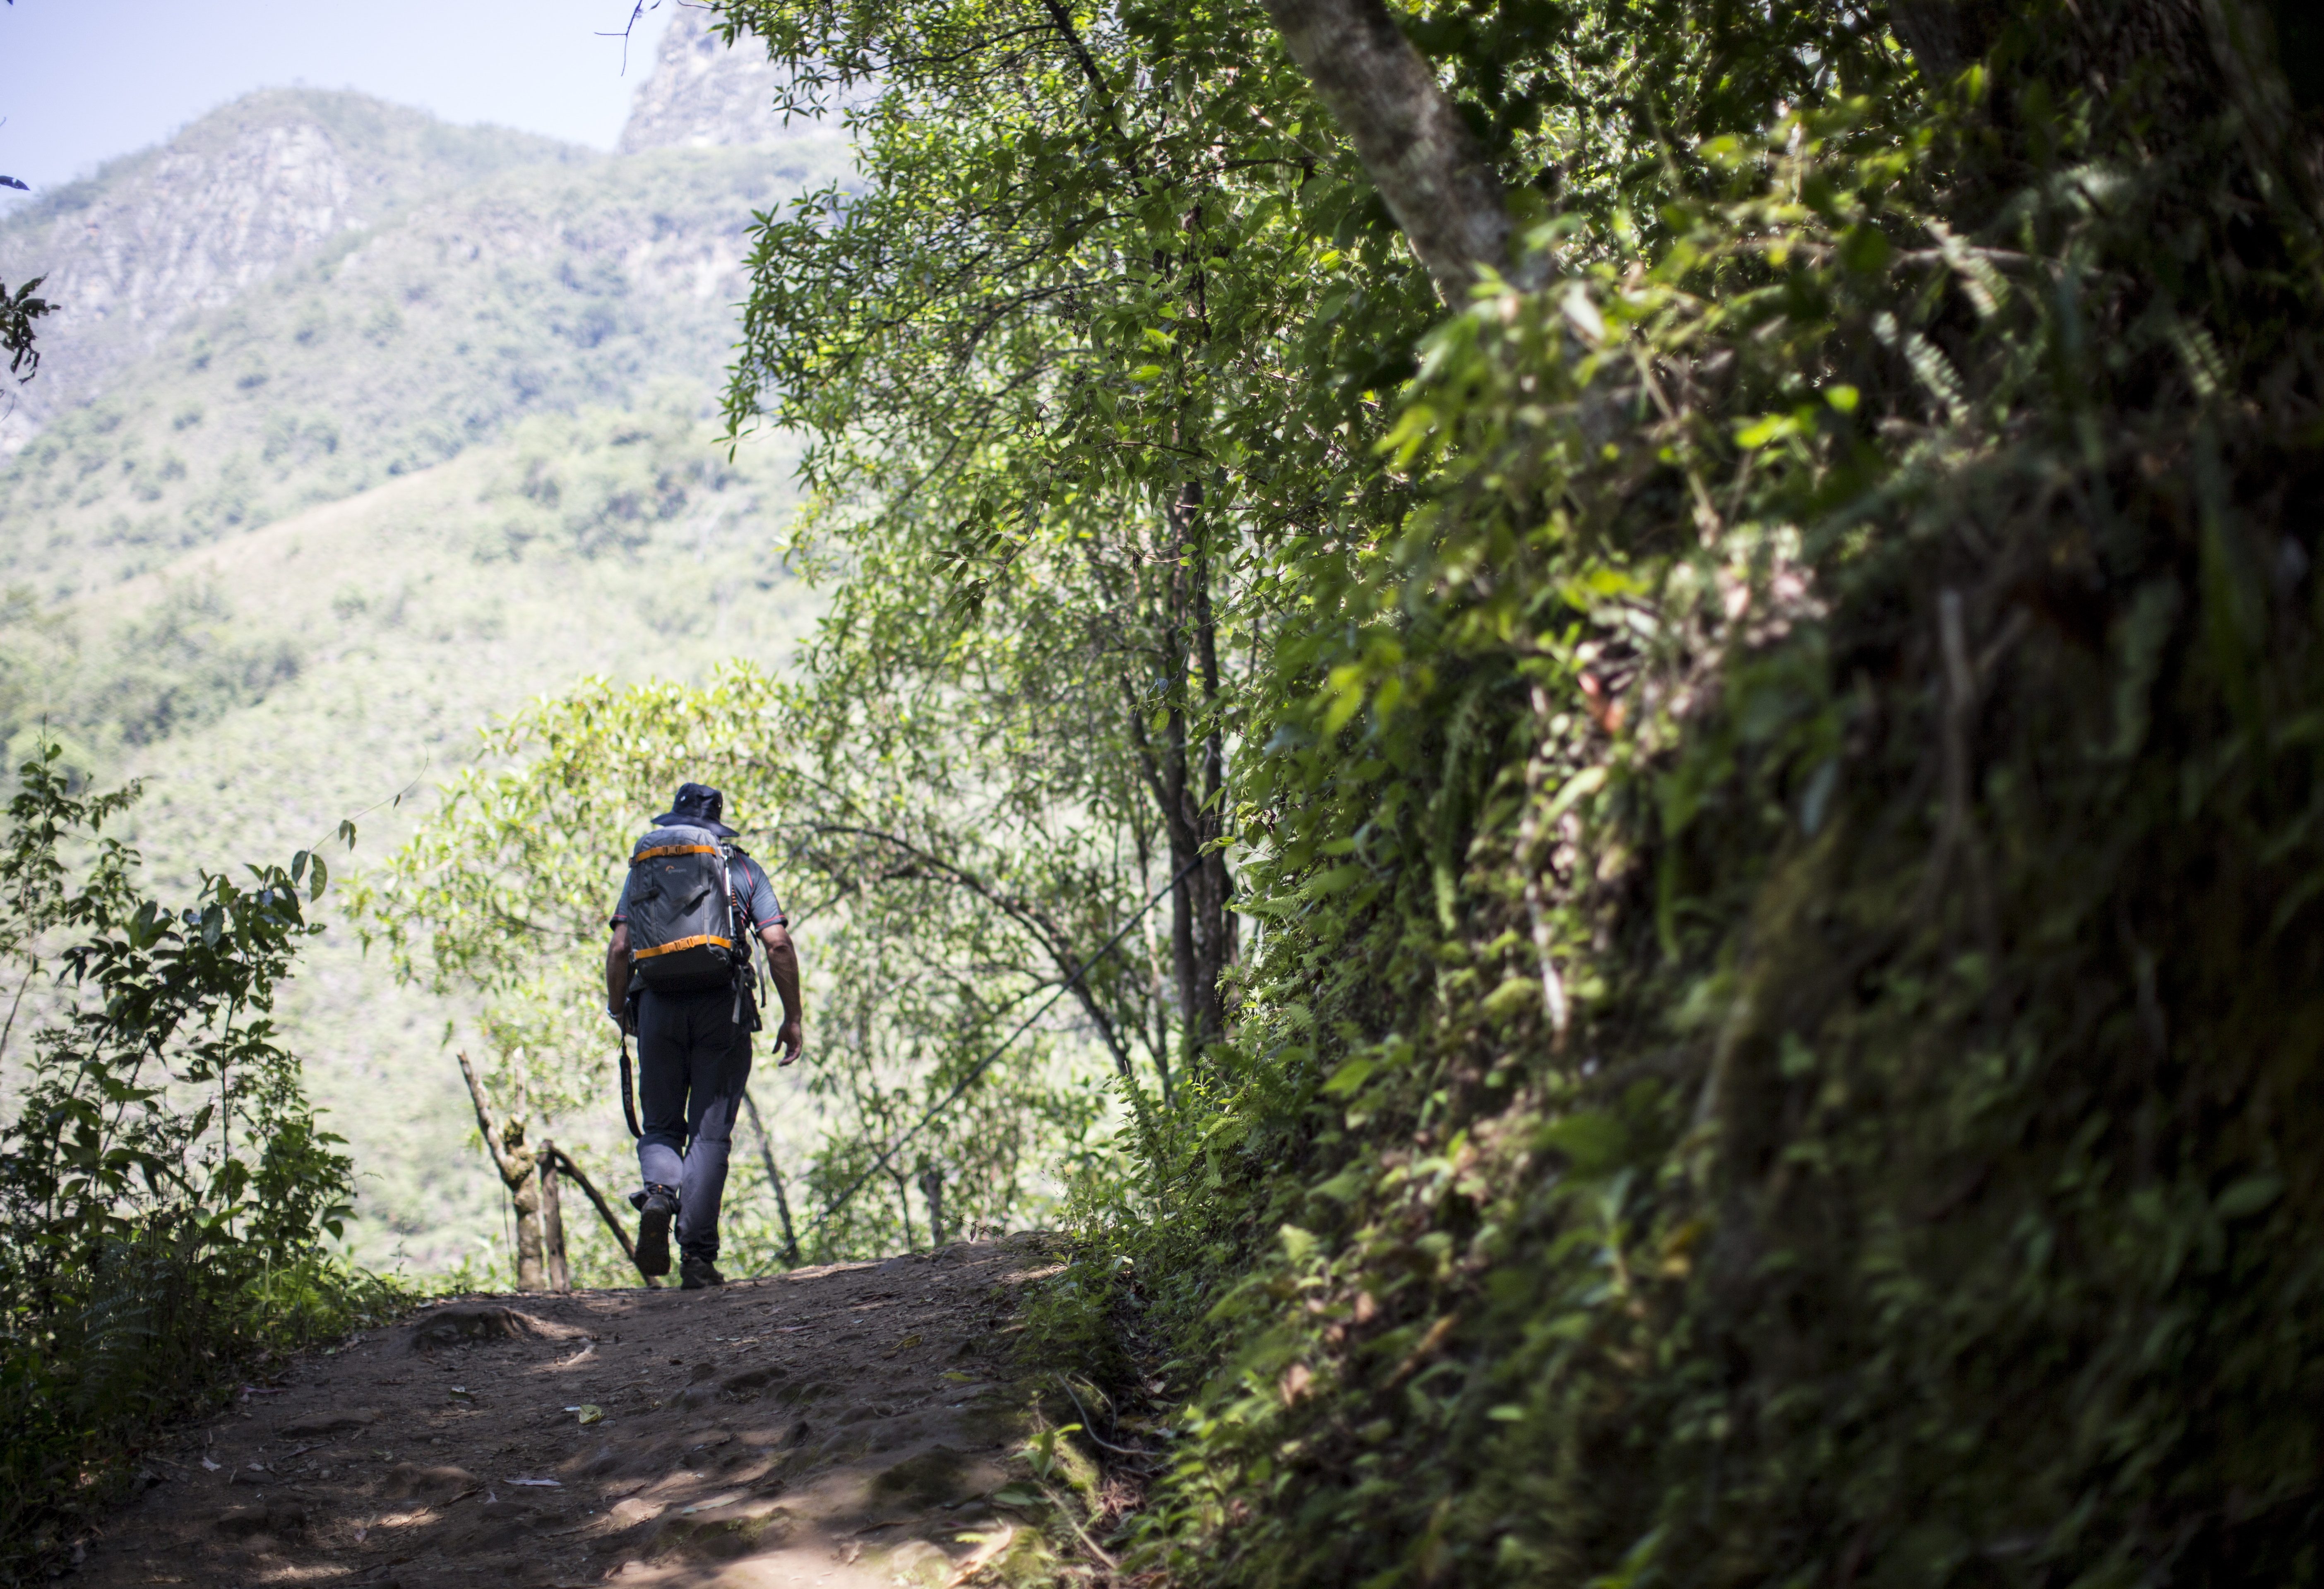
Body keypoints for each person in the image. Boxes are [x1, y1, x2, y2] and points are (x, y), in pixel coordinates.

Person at [604, 782, 803, 1289]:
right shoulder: (740, 868)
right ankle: (697, 1259)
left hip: (656, 1007)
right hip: (723, 1008)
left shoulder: (644, 869)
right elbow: (777, 944)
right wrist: (792, 1015)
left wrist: (618, 1008)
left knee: (662, 1124)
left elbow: (620, 946)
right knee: (710, 1135)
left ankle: (657, 1195)